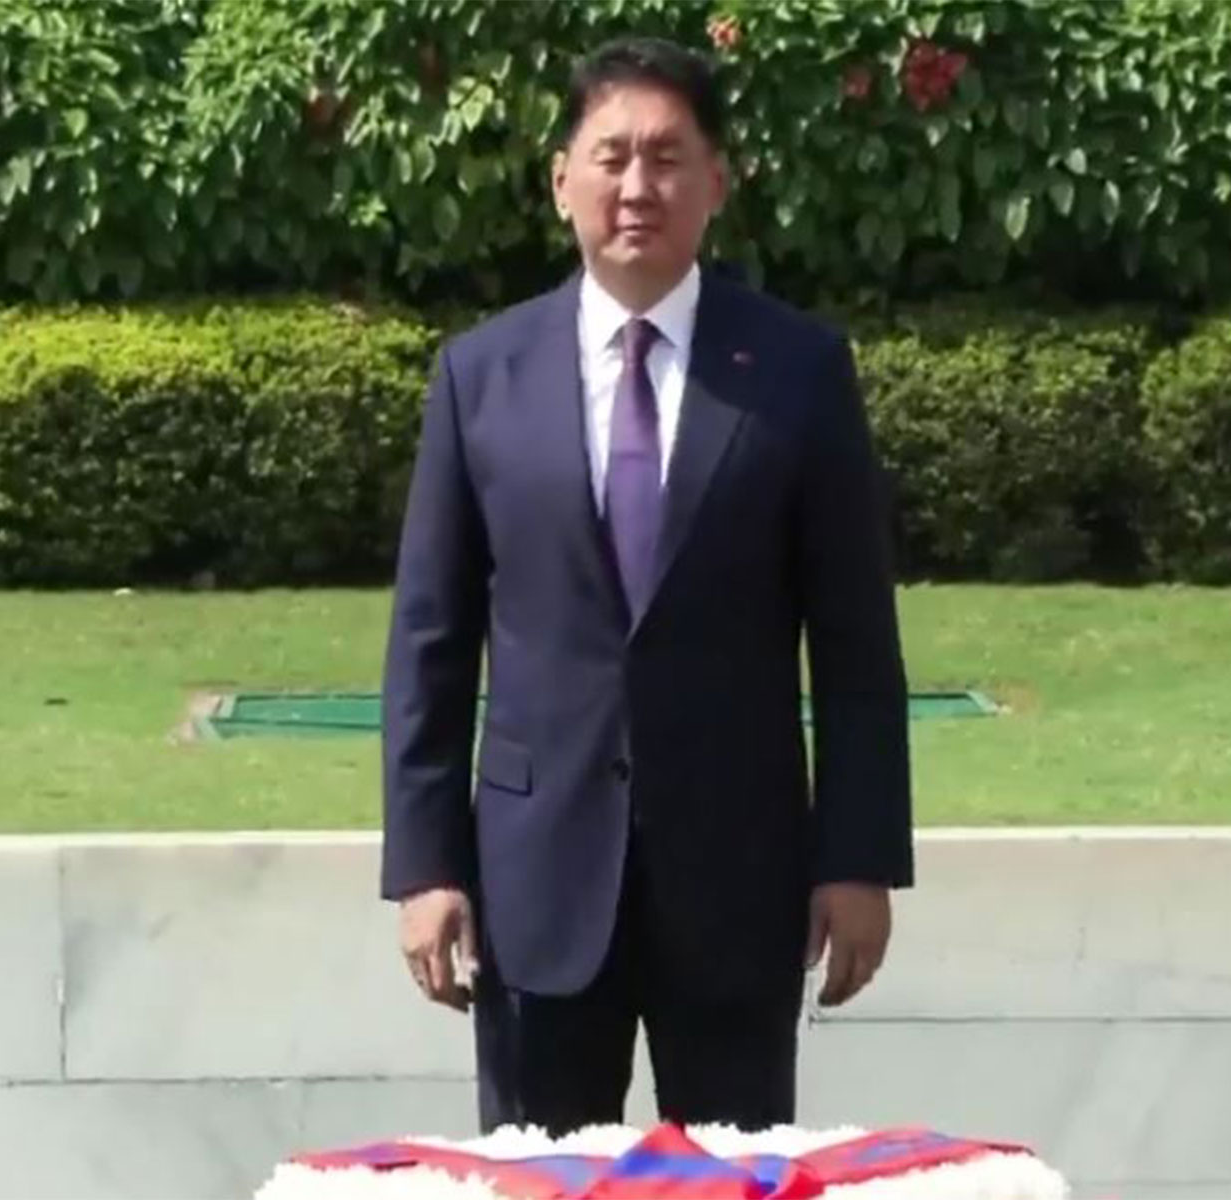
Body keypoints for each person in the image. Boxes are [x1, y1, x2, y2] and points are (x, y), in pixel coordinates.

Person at [378, 36, 913, 1137]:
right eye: (611, 155)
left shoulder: (799, 373)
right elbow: (431, 639)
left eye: (668, 158)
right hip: (534, 891)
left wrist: (859, 858)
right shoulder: (480, 376)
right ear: (561, 176)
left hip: (737, 881)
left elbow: (855, 644)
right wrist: (424, 865)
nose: (637, 187)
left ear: (717, 180)